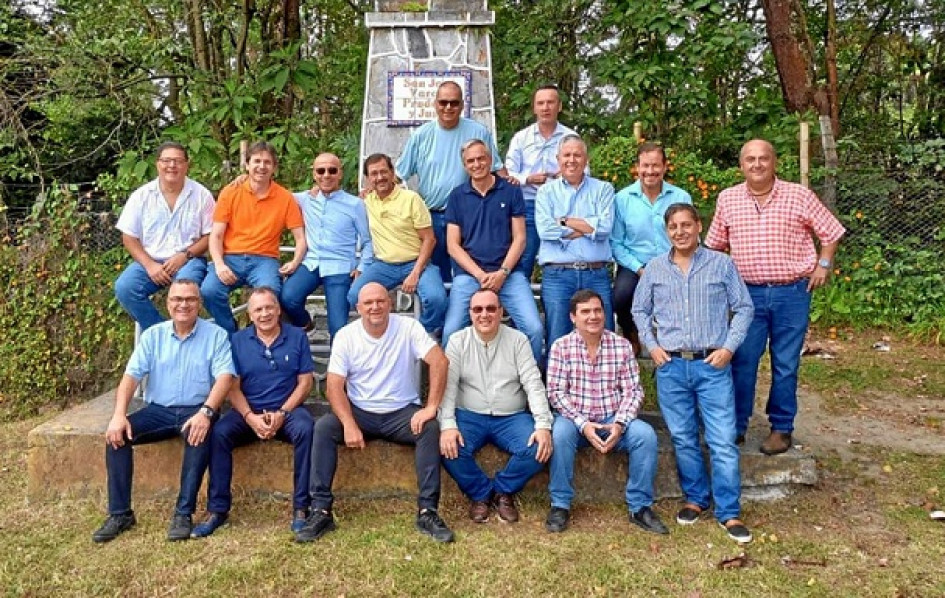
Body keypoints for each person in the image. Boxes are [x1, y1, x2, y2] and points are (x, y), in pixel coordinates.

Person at [705, 139, 846, 455]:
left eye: (763, 158)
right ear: (741, 165)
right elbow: (714, 245)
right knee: (742, 360)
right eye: (750, 159)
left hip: (792, 293)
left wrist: (823, 264)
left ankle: (781, 429)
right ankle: (736, 426)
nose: (757, 164)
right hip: (746, 296)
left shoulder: (798, 195)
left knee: (785, 363)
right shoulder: (728, 200)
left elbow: (831, 232)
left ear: (774, 162)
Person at [632, 203, 754, 543]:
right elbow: (639, 310)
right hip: (670, 366)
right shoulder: (655, 269)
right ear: (666, 230)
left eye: (686, 225)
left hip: (711, 365)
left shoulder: (721, 264)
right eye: (673, 226)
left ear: (699, 226)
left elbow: (744, 308)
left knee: (721, 439)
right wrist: (652, 346)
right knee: (684, 437)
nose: (680, 231)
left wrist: (728, 347)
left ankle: (728, 512)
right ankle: (696, 499)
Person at [296, 282, 454, 543]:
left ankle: (428, 511)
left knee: (430, 428)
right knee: (323, 427)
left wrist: (431, 408)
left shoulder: (408, 327)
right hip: (361, 412)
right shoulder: (347, 335)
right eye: (368, 303)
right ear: (358, 308)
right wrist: (348, 423)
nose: (375, 307)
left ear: (390, 303)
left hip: (401, 412)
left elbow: (440, 360)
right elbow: (333, 386)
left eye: (380, 301)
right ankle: (320, 510)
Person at [92, 279, 235, 543]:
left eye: (190, 299)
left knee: (199, 436)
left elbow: (225, 377)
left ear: (199, 303)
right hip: (159, 411)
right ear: (168, 304)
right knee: (117, 437)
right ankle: (120, 513)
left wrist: (206, 412)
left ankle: (183, 514)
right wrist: (118, 415)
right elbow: (130, 377)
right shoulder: (153, 336)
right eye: (177, 299)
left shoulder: (216, 335)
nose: (183, 304)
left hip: (197, 409)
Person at [191, 287, 315, 538]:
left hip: (288, 410)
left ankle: (302, 507)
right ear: (250, 315)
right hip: (249, 411)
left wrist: (282, 412)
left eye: (269, 307)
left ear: (279, 310)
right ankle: (217, 510)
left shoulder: (297, 337)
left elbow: (305, 383)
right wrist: (250, 417)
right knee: (220, 433)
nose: (265, 313)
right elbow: (232, 386)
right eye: (258, 309)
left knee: (307, 428)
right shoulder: (237, 341)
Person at [544, 289, 666, 535]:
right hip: (575, 420)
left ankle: (639, 507)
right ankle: (560, 504)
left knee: (645, 435)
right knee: (559, 434)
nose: (593, 316)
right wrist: (583, 424)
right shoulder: (561, 347)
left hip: (613, 419)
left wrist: (620, 424)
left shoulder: (621, 346)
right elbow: (556, 393)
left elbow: (633, 391)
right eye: (585, 311)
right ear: (572, 317)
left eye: (598, 310)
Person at [440, 289, 552, 523]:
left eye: (491, 308)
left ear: (501, 312)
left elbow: (533, 383)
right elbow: (447, 387)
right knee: (448, 448)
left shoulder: (518, 340)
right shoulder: (458, 340)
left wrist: (543, 424)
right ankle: (481, 494)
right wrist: (448, 425)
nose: (484, 314)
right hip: (469, 414)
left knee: (537, 448)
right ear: (470, 313)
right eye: (478, 309)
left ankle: (503, 490)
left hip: (511, 417)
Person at [442, 139, 544, 362]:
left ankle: (532, 386)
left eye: (481, 158)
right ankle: (449, 392)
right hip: (469, 277)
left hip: (508, 275)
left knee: (534, 329)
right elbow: (452, 245)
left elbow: (520, 239)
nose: (477, 164)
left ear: (490, 160)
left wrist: (503, 273)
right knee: (450, 333)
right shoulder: (457, 196)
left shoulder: (511, 191)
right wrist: (479, 275)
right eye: (471, 161)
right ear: (465, 165)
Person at [396, 81, 507, 283]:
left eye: (454, 103)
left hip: (470, 217)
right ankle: (443, 314)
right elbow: (399, 173)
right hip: (432, 217)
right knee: (437, 277)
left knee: (470, 274)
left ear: (462, 105)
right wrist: (372, 190)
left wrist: (511, 189)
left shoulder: (479, 133)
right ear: (435, 104)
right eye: (443, 102)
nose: (448, 107)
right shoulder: (421, 135)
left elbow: (496, 168)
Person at [201, 141, 306, 335]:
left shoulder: (285, 197)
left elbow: (300, 238)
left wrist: (295, 261)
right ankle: (230, 334)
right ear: (247, 165)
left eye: (267, 162)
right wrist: (219, 264)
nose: (261, 166)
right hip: (230, 257)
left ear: (274, 167)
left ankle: (257, 339)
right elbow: (215, 236)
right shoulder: (230, 192)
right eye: (256, 161)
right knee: (209, 290)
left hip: (264, 260)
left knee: (270, 295)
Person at [114, 142, 215, 331]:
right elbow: (129, 237)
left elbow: (211, 235)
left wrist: (185, 255)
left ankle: (191, 336)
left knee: (183, 292)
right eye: (166, 160)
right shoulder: (141, 196)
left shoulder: (202, 195)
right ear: (157, 164)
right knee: (125, 288)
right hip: (150, 261)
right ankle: (160, 333)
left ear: (187, 165)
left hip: (189, 260)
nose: (172, 166)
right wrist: (149, 265)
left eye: (178, 161)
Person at [347, 154, 447, 334]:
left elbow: (429, 239)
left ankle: (422, 335)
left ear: (392, 172)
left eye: (384, 172)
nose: (379, 177)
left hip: (417, 262)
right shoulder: (366, 201)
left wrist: (416, 273)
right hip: (383, 265)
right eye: (374, 174)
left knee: (436, 299)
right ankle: (388, 333)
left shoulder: (411, 199)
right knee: (355, 296)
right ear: (368, 179)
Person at [280, 152, 373, 343]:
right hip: (312, 263)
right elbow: (273, 194)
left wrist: (362, 268)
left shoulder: (355, 204)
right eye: (320, 171)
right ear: (314, 174)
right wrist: (244, 178)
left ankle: (338, 372)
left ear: (340, 173)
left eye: (332, 170)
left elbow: (368, 241)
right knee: (287, 297)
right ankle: (307, 326)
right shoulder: (304, 199)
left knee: (338, 327)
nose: (326, 175)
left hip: (340, 267)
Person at [611, 142, 692, 356]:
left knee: (681, 298)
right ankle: (631, 333)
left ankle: (672, 346)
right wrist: (640, 269)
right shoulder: (622, 199)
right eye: (645, 165)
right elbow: (616, 243)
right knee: (620, 297)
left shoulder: (680, 197)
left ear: (665, 167)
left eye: (655, 165)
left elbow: (690, 236)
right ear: (636, 167)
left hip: (672, 262)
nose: (650, 171)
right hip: (635, 264)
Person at [536, 134, 616, 349]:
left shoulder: (603, 189)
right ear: (558, 159)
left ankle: (606, 383)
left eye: (577, 155)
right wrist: (588, 227)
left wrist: (562, 221)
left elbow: (605, 227)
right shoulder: (545, 192)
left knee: (605, 338)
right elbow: (545, 230)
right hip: (558, 275)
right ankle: (556, 384)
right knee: (557, 338)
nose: (572, 160)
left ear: (586, 159)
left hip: (595, 273)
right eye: (567, 155)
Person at [505, 84, 580, 279]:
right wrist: (527, 179)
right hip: (527, 206)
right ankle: (519, 305)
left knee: (562, 258)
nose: (545, 107)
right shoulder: (521, 138)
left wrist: (565, 176)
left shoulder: (570, 137)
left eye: (550, 102)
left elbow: (584, 171)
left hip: (561, 208)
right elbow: (508, 173)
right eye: (541, 103)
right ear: (534, 108)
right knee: (524, 259)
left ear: (559, 106)